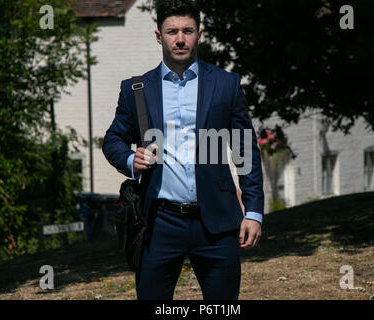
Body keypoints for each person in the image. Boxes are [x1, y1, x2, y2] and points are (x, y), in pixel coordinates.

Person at [102, 0, 264, 300]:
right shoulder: (135, 90)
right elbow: (112, 139)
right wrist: (129, 159)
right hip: (159, 223)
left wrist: (253, 211)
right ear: (158, 35)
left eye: (187, 31)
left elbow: (245, 150)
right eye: (172, 31)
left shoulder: (226, 85)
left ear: (199, 35)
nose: (180, 39)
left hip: (217, 222)